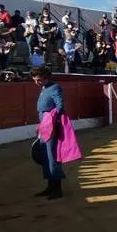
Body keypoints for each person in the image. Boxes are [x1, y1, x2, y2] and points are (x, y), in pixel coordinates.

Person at [32, 66, 65, 199]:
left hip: (51, 126)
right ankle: (50, 186)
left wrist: (49, 120)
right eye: (35, 80)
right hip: (44, 125)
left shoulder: (55, 87)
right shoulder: (45, 88)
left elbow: (60, 106)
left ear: (46, 78)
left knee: (52, 157)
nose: (37, 83)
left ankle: (57, 189)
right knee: (46, 156)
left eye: (39, 80)